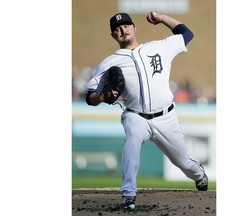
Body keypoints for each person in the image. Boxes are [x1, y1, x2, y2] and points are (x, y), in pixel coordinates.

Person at [84, 11, 208, 210]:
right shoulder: (108, 64)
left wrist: (162, 19)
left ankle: (199, 175)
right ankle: (128, 194)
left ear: (134, 27)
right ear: (114, 36)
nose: (122, 30)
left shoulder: (159, 47)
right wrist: (100, 96)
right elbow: (90, 97)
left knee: (184, 163)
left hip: (166, 116)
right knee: (132, 138)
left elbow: (186, 33)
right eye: (117, 29)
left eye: (125, 25)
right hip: (135, 115)